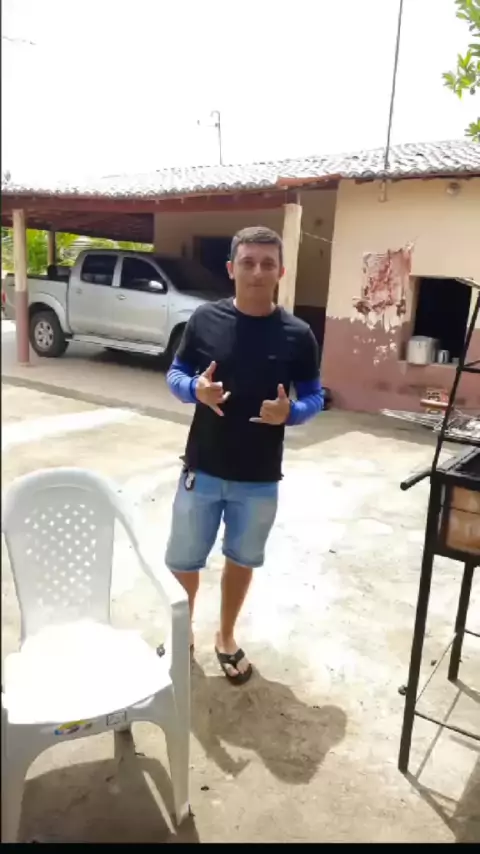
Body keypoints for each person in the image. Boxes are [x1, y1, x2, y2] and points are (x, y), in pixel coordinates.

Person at [165, 225, 324, 685]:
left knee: (241, 560)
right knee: (184, 562)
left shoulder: (298, 334)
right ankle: (181, 635)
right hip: (202, 469)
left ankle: (226, 636)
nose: (257, 271)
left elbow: (316, 396)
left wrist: (291, 413)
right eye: (248, 262)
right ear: (232, 268)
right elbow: (176, 373)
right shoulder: (204, 320)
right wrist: (194, 389)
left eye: (267, 263)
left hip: (258, 478)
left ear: (281, 272)